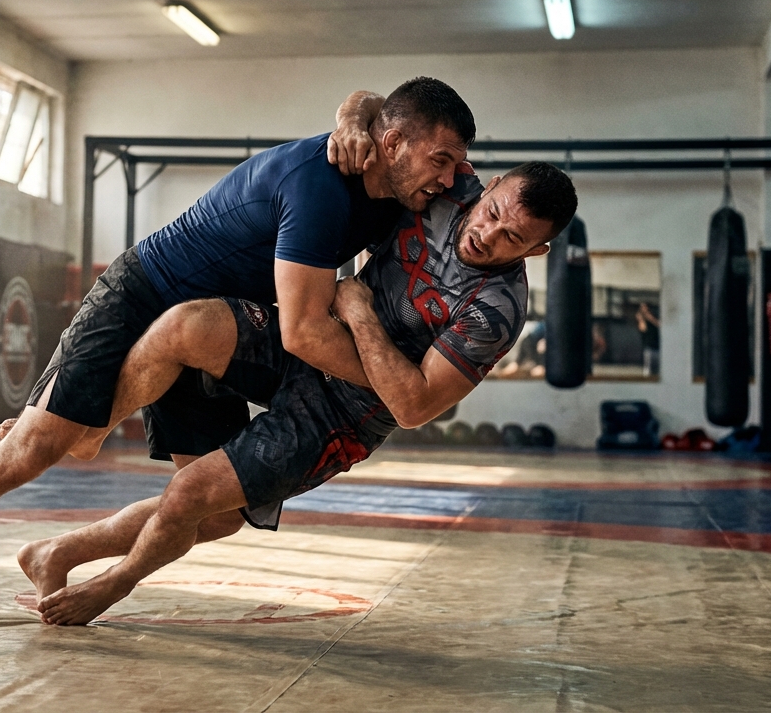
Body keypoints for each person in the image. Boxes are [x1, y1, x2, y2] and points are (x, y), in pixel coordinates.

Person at [0, 77, 477, 640]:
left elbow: (388, 110)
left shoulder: (399, 180)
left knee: (221, 512)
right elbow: (304, 333)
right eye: (440, 161)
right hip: (144, 294)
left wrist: (358, 104)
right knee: (31, 450)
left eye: (456, 165)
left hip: (209, 324)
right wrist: (404, 390)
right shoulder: (321, 191)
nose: (447, 178)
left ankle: (57, 550)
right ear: (391, 144)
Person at [29, 160, 578, 625]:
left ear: (537, 251)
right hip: (311, 343)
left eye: (513, 237)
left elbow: (414, 406)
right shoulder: (452, 183)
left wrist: (360, 311)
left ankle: (112, 583)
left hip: (346, 413)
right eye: (493, 212)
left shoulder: (495, 312)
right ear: (491, 185)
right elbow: (384, 125)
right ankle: (90, 429)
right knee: (188, 324)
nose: (487, 233)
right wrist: (352, 115)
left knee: (197, 498)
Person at [636, 302, 660, 376]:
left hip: (657, 346)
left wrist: (649, 317)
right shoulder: (641, 320)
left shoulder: (654, 317)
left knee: (658, 369)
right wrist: (641, 319)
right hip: (649, 347)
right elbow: (643, 329)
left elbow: (659, 324)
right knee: (648, 369)